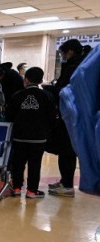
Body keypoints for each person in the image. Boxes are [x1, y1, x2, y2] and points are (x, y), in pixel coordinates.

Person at [6, 67, 56, 198]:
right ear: (40, 80)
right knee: (35, 164)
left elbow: (9, 116)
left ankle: (16, 188)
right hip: (39, 137)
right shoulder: (47, 96)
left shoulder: (17, 96)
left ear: (25, 80)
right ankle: (32, 191)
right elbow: (52, 117)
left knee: (18, 163)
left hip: (19, 136)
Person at [47, 39, 87, 197]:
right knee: (67, 150)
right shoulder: (84, 66)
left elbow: (64, 91)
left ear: (70, 52)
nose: (62, 56)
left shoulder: (73, 68)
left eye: (63, 53)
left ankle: (68, 185)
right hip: (78, 115)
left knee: (66, 150)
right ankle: (65, 181)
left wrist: (51, 89)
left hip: (70, 116)